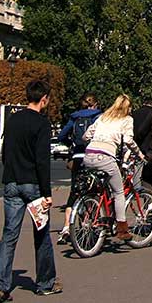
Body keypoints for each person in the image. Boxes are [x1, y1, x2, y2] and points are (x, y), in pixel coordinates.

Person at [0, 79, 62, 301]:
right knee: (41, 235)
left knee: (9, 235)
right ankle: (45, 283)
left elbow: (6, 151)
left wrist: (10, 174)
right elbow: (42, 161)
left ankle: (1, 287)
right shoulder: (42, 123)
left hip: (12, 181)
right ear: (44, 99)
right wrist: (47, 192)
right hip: (33, 185)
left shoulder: (13, 120)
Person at [82, 94, 146, 242]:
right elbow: (129, 140)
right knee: (118, 192)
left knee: (100, 188)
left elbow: (86, 136)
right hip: (105, 157)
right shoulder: (127, 119)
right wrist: (140, 154)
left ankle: (98, 211)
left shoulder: (103, 117)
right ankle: (122, 229)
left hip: (89, 155)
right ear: (128, 107)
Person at [56, 92, 102, 244]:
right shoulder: (98, 117)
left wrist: (72, 146)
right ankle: (91, 221)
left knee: (74, 191)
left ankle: (66, 227)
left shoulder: (74, 117)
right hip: (94, 156)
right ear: (95, 104)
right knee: (95, 190)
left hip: (77, 156)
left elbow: (61, 136)